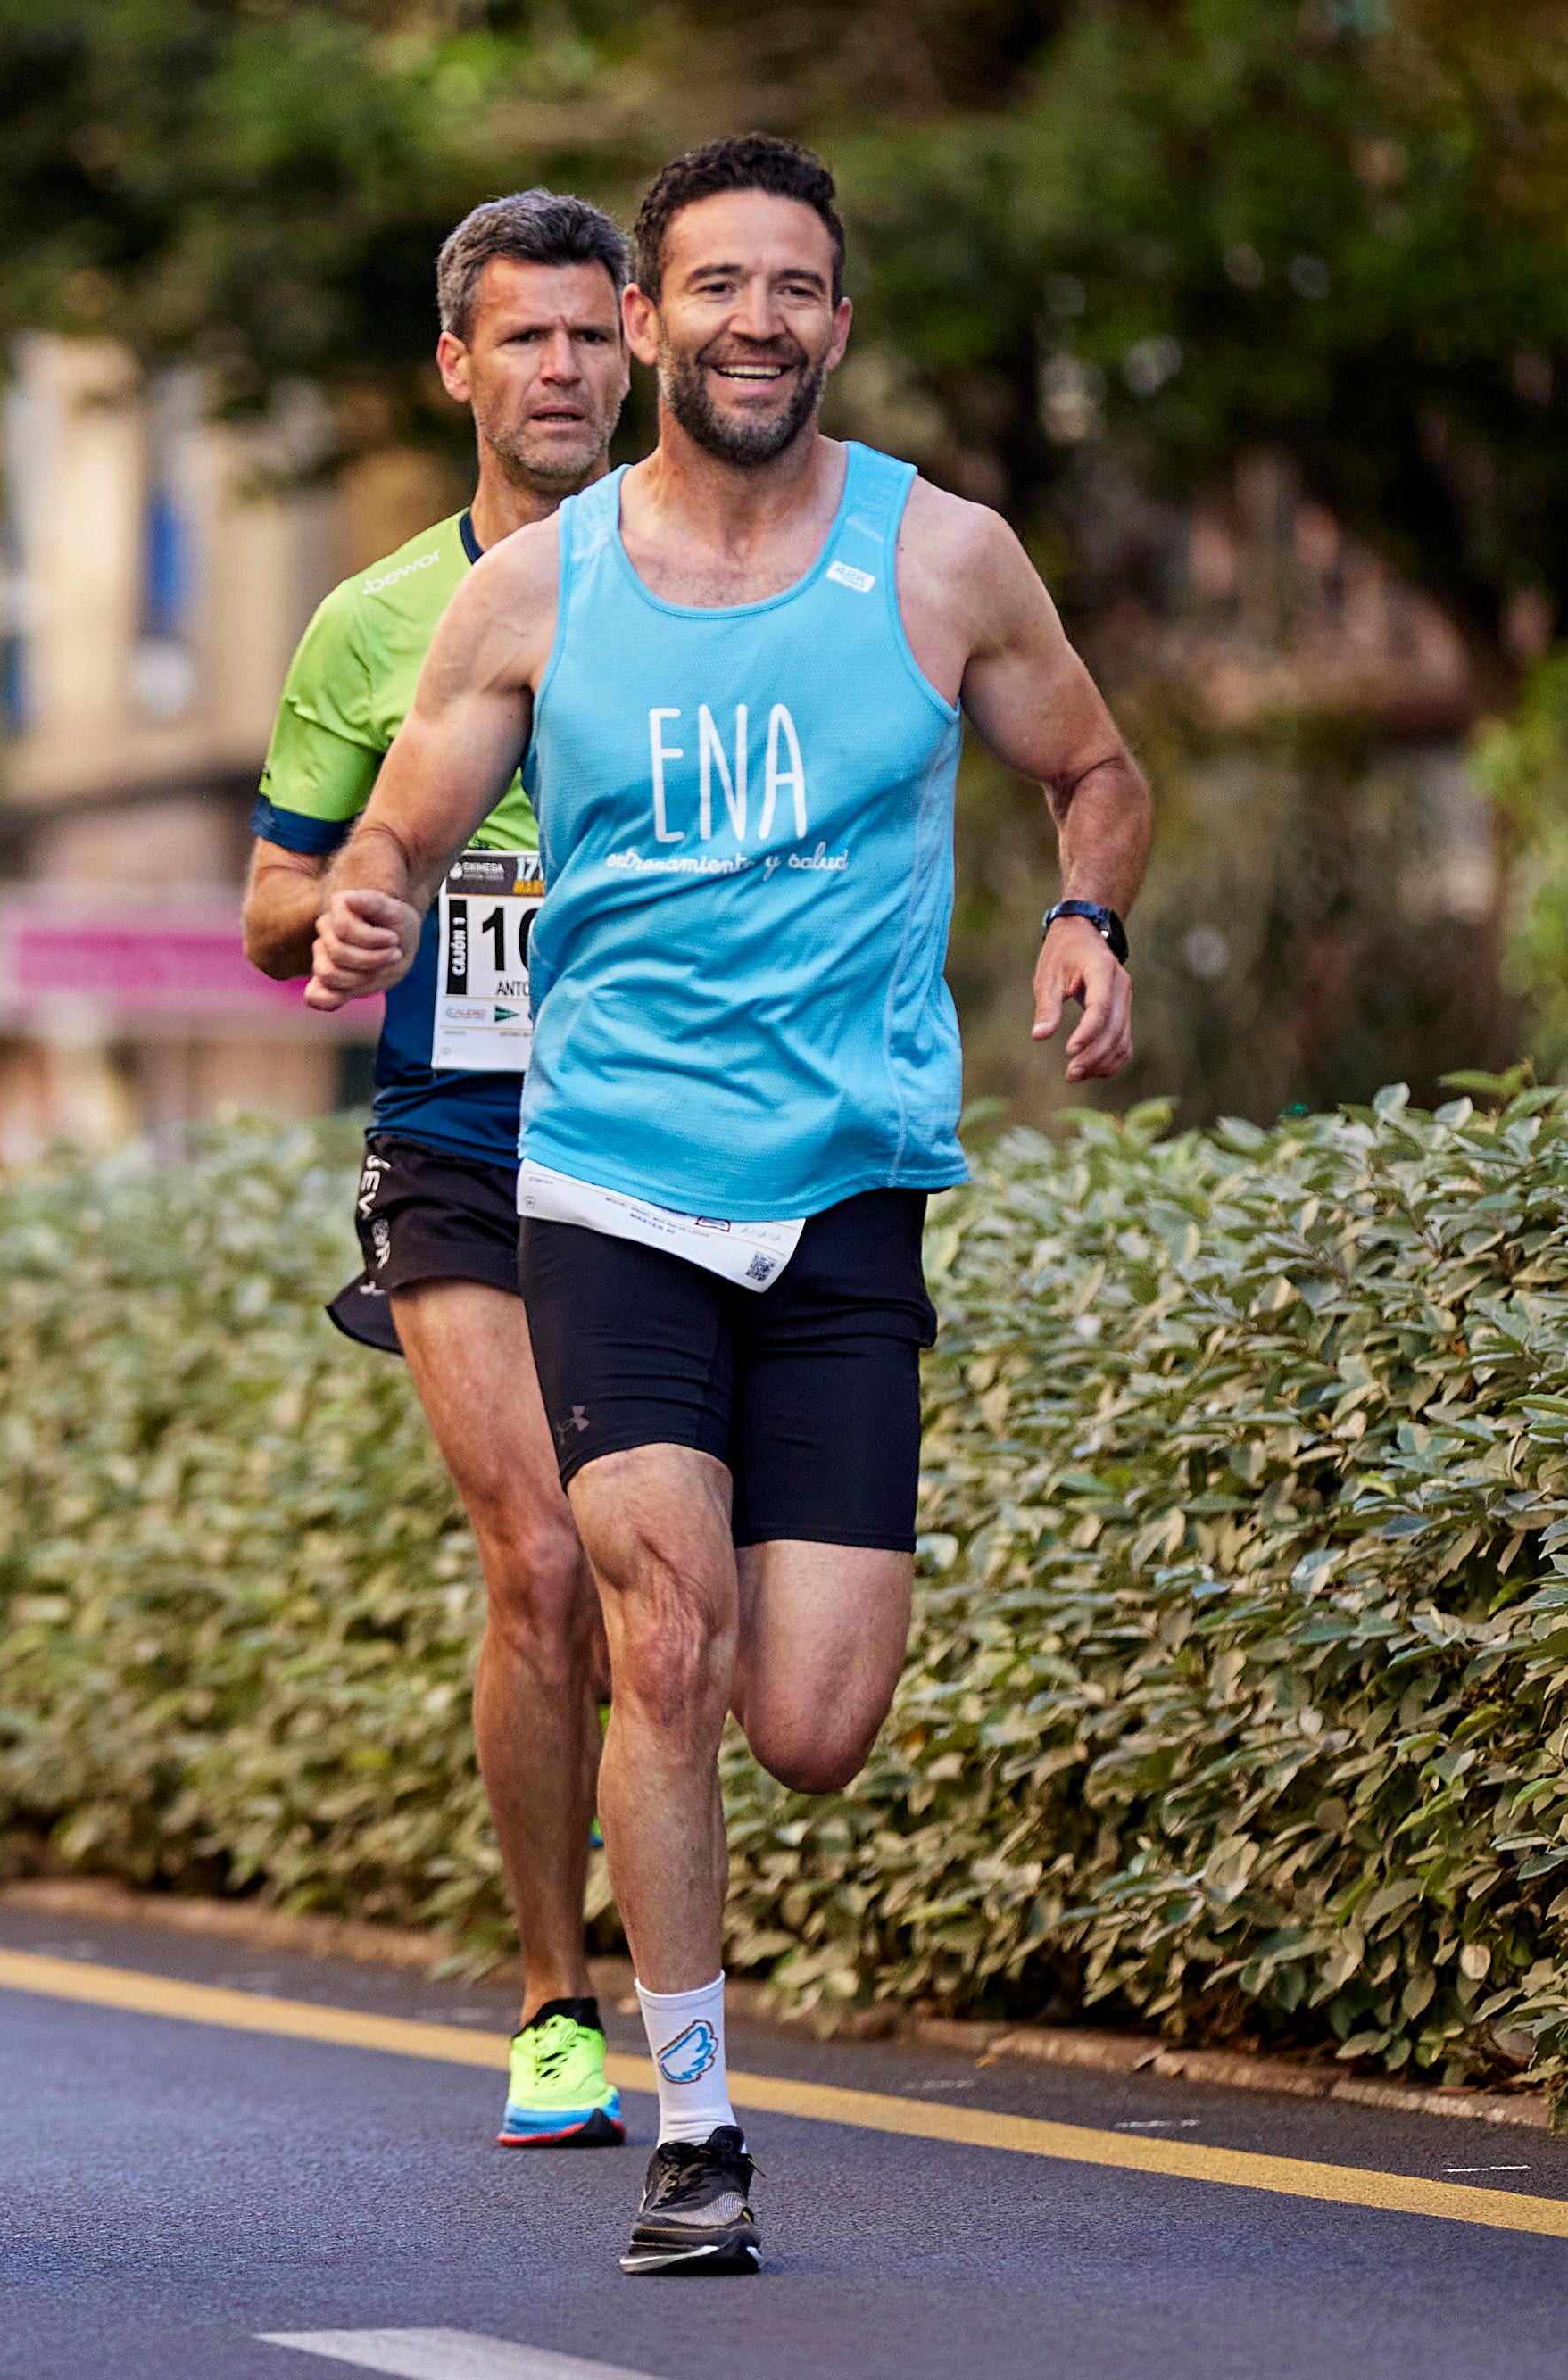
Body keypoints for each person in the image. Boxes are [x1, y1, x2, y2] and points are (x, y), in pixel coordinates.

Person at [305, 134, 1147, 2276]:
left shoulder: (940, 559)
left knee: (812, 1722)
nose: (754, 321)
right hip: (605, 1190)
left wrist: (1083, 915)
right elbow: (399, 822)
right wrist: (365, 908)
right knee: (653, 1634)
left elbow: (1098, 762)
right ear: (652, 321)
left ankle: (690, 2046)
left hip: (849, 1190)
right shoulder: (535, 586)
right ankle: (690, 2122)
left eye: (795, 287)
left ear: (833, 323)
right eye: (715, 287)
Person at [246, 191, 635, 2152]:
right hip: (458, 1137)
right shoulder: (374, 618)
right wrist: (350, 910)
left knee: (686, 1597)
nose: (557, 369)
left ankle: (679, 1934)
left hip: (680, 1130)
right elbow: (266, 896)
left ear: (633, 349)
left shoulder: (731, 581)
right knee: (541, 1556)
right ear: (455, 368)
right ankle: (555, 1995)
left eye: (587, 335)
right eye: (522, 338)